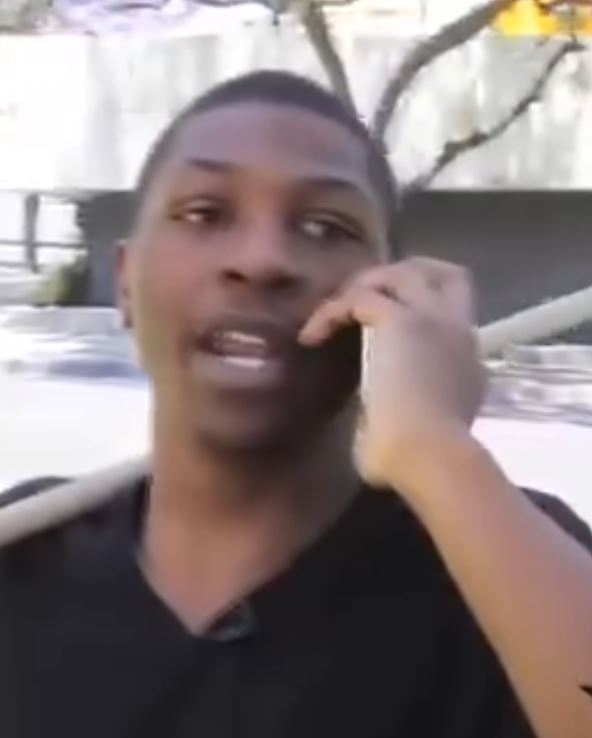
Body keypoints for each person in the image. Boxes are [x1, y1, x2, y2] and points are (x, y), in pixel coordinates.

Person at [1, 70, 591, 738]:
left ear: (392, 295)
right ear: (126, 282)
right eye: (204, 214)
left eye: (325, 226)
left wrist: (433, 448)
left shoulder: (513, 564)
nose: (262, 261)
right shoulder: (24, 554)